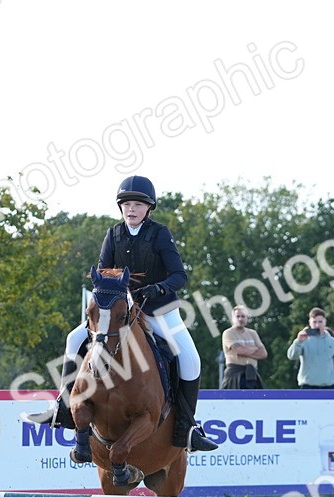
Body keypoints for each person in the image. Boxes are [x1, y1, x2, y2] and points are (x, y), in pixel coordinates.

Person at [25, 175, 217, 457]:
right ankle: (63, 408)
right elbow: (102, 275)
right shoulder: (113, 234)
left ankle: (186, 427)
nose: (132, 209)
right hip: (119, 312)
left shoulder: (160, 234)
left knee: (191, 359)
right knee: (74, 338)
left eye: (138, 204)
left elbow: (179, 275)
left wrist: (158, 288)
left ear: (148, 208)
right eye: (127, 204)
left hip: (158, 309)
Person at [286, 307, 334, 389]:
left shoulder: (333, 342)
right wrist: (298, 341)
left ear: (325, 322)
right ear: (309, 322)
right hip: (307, 387)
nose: (317, 325)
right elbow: (291, 356)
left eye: (320, 322)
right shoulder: (303, 340)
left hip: (329, 387)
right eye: (314, 322)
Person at [220, 305, 268, 389]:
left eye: (243, 316)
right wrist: (254, 349)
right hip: (234, 374)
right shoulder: (228, 333)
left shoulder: (253, 333)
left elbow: (263, 354)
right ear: (232, 318)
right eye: (237, 316)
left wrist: (245, 352)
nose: (240, 319)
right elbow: (239, 350)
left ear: (247, 318)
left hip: (251, 374)